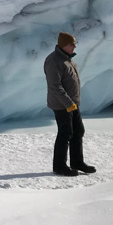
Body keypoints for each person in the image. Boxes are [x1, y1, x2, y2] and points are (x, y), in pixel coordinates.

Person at [44, 32, 96, 177]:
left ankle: (77, 162)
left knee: (78, 131)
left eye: (74, 44)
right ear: (63, 45)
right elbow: (55, 86)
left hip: (72, 103)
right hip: (62, 104)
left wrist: (73, 103)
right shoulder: (54, 61)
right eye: (71, 44)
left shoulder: (68, 60)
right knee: (65, 133)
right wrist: (68, 103)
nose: (74, 46)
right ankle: (60, 166)